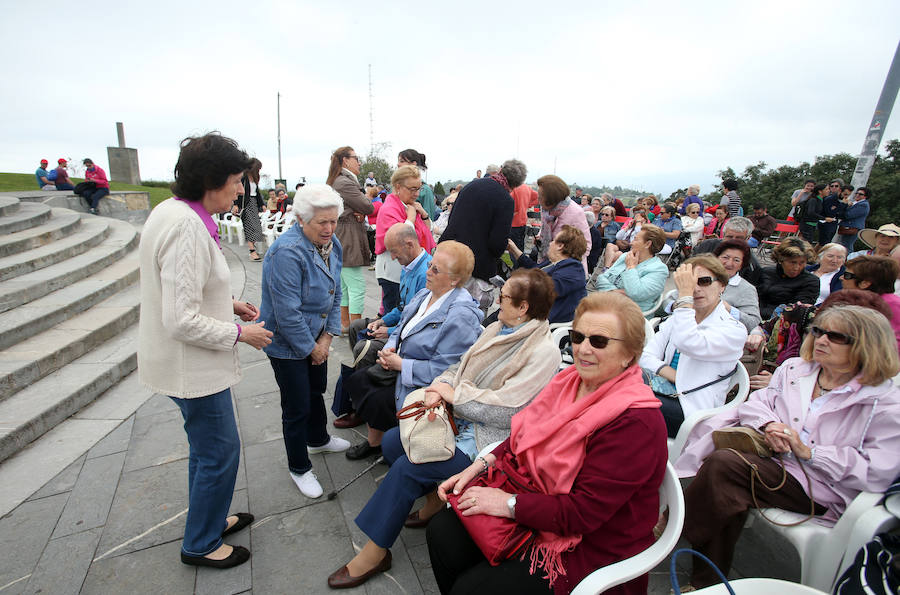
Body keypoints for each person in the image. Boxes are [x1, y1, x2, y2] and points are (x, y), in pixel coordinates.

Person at [327, 270, 561, 589]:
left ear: (523, 307)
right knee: (395, 442)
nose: (496, 300)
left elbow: (510, 409)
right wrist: (440, 386)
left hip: (489, 445)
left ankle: (375, 552)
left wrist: (457, 396)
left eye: (504, 297)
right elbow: (457, 366)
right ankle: (435, 502)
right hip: (460, 419)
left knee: (408, 469)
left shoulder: (542, 351)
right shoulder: (498, 328)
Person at [426, 291, 668, 595]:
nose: (583, 349)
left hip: (590, 543)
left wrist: (508, 504)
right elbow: (522, 438)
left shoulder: (635, 423)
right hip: (535, 499)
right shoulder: (569, 383)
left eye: (599, 341)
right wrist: (479, 466)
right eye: (578, 337)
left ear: (629, 354)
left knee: (473, 588)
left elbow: (584, 513)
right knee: (443, 531)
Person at [675, 305, 900, 590]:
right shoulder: (796, 369)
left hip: (820, 486)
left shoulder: (886, 402)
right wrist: (770, 426)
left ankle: (671, 529)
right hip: (772, 463)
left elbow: (878, 470)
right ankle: (704, 582)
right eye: (817, 331)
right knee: (728, 491)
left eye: (835, 336)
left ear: (867, 345)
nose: (821, 340)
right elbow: (757, 403)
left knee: (725, 466)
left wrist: (811, 452)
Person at [138, 132, 273, 569]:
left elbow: (179, 289)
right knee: (219, 452)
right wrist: (239, 332)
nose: (241, 189)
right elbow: (180, 319)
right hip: (191, 368)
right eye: (236, 180)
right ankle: (200, 542)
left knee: (207, 450)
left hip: (186, 363)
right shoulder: (186, 226)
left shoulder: (175, 211)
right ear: (211, 180)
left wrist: (225, 302)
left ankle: (210, 519)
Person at [345, 241, 484, 461]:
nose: (427, 271)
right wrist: (390, 347)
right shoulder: (426, 295)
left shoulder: (461, 316)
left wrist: (400, 364)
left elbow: (447, 369)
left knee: (374, 394)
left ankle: (392, 444)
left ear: (455, 280)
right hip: (401, 369)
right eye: (430, 264)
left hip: (424, 386)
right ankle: (377, 442)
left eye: (435, 269)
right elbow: (400, 329)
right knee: (361, 379)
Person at [258, 184, 353, 499]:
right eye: (321, 223)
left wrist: (327, 338)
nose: (329, 229)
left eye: (333, 221)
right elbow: (287, 314)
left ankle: (318, 439)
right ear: (301, 219)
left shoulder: (333, 243)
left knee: (315, 391)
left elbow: (335, 290)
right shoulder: (286, 252)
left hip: (317, 336)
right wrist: (312, 348)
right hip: (287, 343)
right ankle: (299, 467)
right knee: (296, 405)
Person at [640, 257, 747, 436]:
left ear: (722, 286)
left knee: (624, 403)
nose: (695, 289)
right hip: (660, 390)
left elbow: (688, 342)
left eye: (704, 282)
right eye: (688, 284)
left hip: (692, 409)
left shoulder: (734, 330)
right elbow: (645, 356)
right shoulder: (678, 319)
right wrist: (674, 375)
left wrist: (684, 300)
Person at [440, 160, 526, 311]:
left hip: (449, 255)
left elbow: (452, 218)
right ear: (516, 185)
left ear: (501, 169)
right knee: (470, 318)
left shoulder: (472, 185)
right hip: (476, 266)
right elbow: (497, 243)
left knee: (443, 310)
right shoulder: (505, 200)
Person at [375, 165, 435, 315]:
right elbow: (399, 238)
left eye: (419, 189)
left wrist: (424, 215)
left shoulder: (408, 206)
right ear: (398, 187)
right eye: (412, 189)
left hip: (409, 272)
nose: (416, 194)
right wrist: (411, 217)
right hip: (393, 274)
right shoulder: (389, 208)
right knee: (396, 316)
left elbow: (428, 233)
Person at [327, 146, 375, 334]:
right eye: (356, 158)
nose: (359, 162)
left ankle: (346, 325)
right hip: (347, 237)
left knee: (345, 286)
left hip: (343, 235)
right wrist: (367, 198)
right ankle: (355, 330)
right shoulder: (344, 182)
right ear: (345, 160)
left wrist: (360, 213)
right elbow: (367, 206)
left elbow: (360, 209)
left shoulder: (339, 180)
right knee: (356, 286)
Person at [506, 225, 587, 323]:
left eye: (553, 240)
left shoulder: (574, 269)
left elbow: (547, 289)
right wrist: (514, 250)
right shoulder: (554, 263)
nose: (550, 243)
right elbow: (534, 268)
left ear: (560, 246)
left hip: (539, 321)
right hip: (528, 314)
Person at [590, 224, 669, 312]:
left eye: (635, 239)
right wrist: (615, 292)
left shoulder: (658, 269)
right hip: (607, 306)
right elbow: (601, 278)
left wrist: (631, 268)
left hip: (630, 316)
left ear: (648, 244)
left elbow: (636, 293)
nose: (631, 242)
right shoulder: (625, 256)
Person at [534, 174, 592, 274]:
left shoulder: (575, 212)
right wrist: (540, 237)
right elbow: (546, 228)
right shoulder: (546, 210)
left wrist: (562, 256)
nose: (538, 198)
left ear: (551, 197)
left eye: (540, 196)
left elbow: (586, 245)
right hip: (547, 262)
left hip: (567, 270)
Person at [841, 255, 900, 351]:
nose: (841, 278)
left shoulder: (891, 304)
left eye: (847, 275)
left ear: (865, 283)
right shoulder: (855, 300)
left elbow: (894, 345)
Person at [757, 237, 819, 319]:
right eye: (792, 262)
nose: (797, 267)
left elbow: (797, 310)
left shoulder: (811, 281)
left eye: (802, 263)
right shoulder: (765, 272)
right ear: (780, 260)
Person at [692, 217, 763, 286]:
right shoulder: (705, 247)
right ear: (723, 234)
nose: (733, 241)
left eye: (739, 238)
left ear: (748, 238)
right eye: (729, 237)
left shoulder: (752, 265)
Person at [713, 240, 762, 332]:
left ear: (741, 265)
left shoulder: (746, 289)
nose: (729, 263)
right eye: (725, 257)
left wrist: (729, 309)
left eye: (736, 260)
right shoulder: (702, 278)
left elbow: (754, 322)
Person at [232, 158, 265, 261]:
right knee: (249, 227)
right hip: (246, 204)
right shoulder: (243, 178)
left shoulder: (254, 179)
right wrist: (236, 204)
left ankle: (253, 248)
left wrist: (262, 204)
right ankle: (252, 251)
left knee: (257, 228)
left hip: (254, 203)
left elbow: (257, 193)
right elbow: (238, 191)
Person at [398, 149, 436, 220]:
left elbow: (429, 220)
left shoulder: (425, 190)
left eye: (402, 161)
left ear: (413, 164)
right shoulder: (396, 187)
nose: (398, 164)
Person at [837, 186, 870, 252]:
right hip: (847, 227)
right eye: (856, 193)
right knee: (844, 245)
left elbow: (849, 215)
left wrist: (844, 205)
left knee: (847, 246)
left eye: (860, 194)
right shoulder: (855, 203)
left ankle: (848, 260)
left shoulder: (863, 205)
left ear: (865, 196)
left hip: (852, 228)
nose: (857, 195)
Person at [509, 182, 539, 251]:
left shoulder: (513, 188)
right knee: (520, 248)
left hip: (513, 223)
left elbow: (510, 205)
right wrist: (528, 204)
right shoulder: (526, 187)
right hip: (522, 222)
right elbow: (538, 197)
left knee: (514, 250)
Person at [819, 179, 846, 247]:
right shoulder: (829, 198)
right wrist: (842, 205)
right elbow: (830, 213)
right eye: (832, 186)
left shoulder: (839, 198)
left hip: (833, 223)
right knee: (824, 243)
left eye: (836, 186)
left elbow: (840, 213)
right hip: (825, 223)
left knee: (823, 243)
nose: (833, 188)